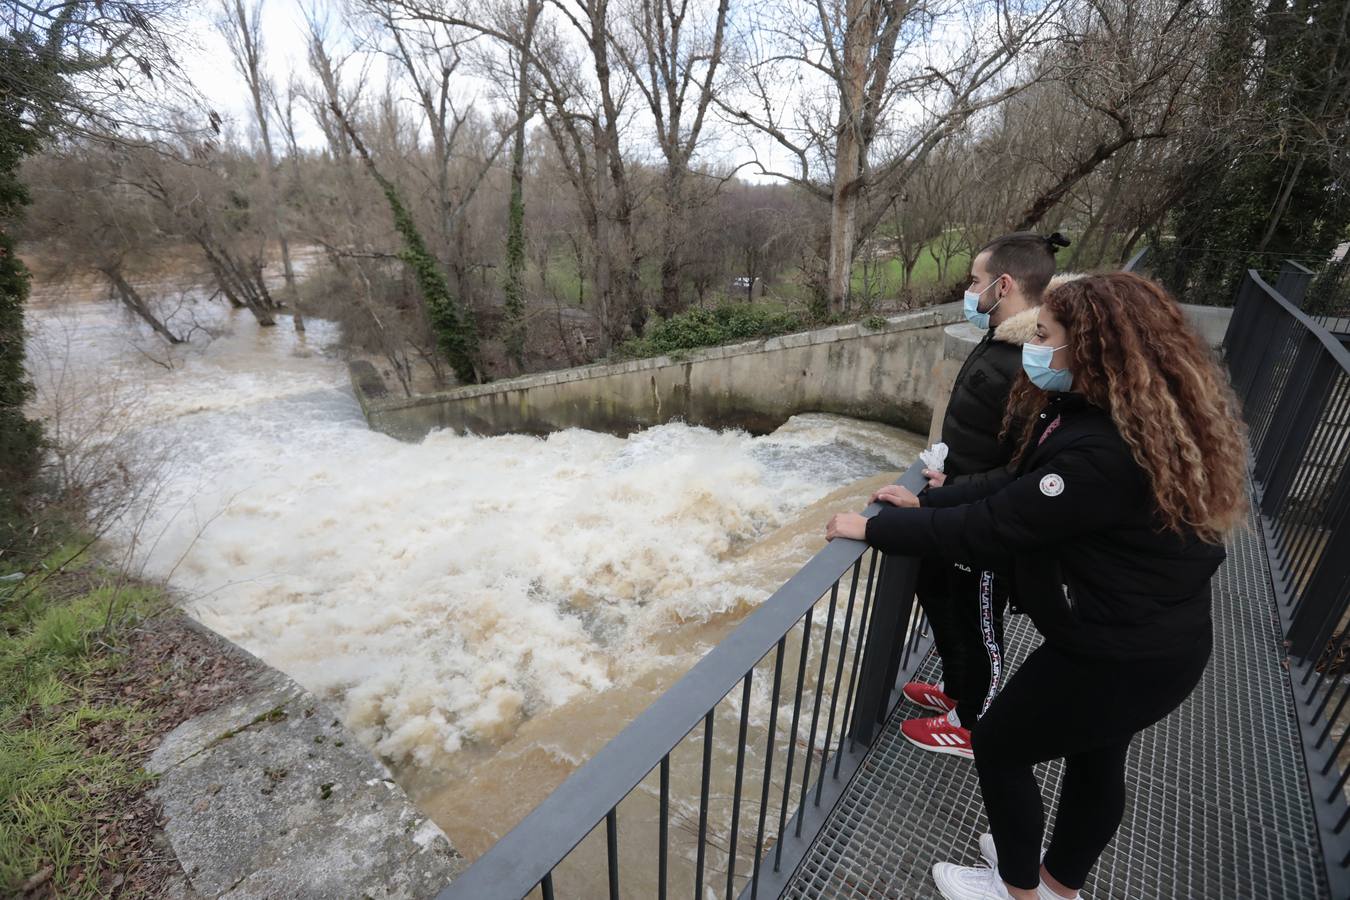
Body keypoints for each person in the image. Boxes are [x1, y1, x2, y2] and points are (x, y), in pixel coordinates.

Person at [826, 272, 1248, 900]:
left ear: (1090, 347)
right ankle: (1056, 885)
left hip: (1122, 651)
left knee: (997, 744)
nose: (1035, 347)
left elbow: (999, 526)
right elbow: (1014, 485)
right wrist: (933, 505)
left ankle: (1018, 890)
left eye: (1046, 336)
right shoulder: (1106, 413)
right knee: (1096, 757)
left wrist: (877, 530)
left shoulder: (1102, 451)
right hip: (1153, 639)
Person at [902, 231, 1071, 759]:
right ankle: (958, 693)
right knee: (936, 591)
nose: (968, 291)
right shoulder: (1002, 339)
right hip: (959, 506)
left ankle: (974, 723)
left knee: (982, 625)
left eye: (974, 281)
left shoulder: (1030, 358)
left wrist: (954, 488)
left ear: (1003, 285)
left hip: (986, 523)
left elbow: (1022, 467)